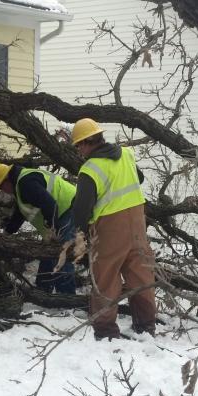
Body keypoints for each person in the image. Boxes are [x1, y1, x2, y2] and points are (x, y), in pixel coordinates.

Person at [69, 118, 157, 339]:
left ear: (87, 142)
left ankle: (106, 331)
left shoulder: (90, 169)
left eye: (79, 145)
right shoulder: (126, 154)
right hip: (137, 221)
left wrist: (80, 234)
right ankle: (146, 326)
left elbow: (81, 210)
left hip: (110, 227)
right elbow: (140, 178)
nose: (78, 150)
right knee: (141, 275)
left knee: (105, 278)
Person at [0, 163, 77, 294]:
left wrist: (52, 227)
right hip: (62, 210)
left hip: (69, 207)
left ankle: (67, 296)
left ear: (7, 180)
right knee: (47, 251)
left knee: (61, 252)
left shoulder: (26, 183)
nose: (3, 190)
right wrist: (8, 231)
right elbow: (21, 212)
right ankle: (43, 289)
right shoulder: (20, 184)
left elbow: (50, 204)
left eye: (1, 187)